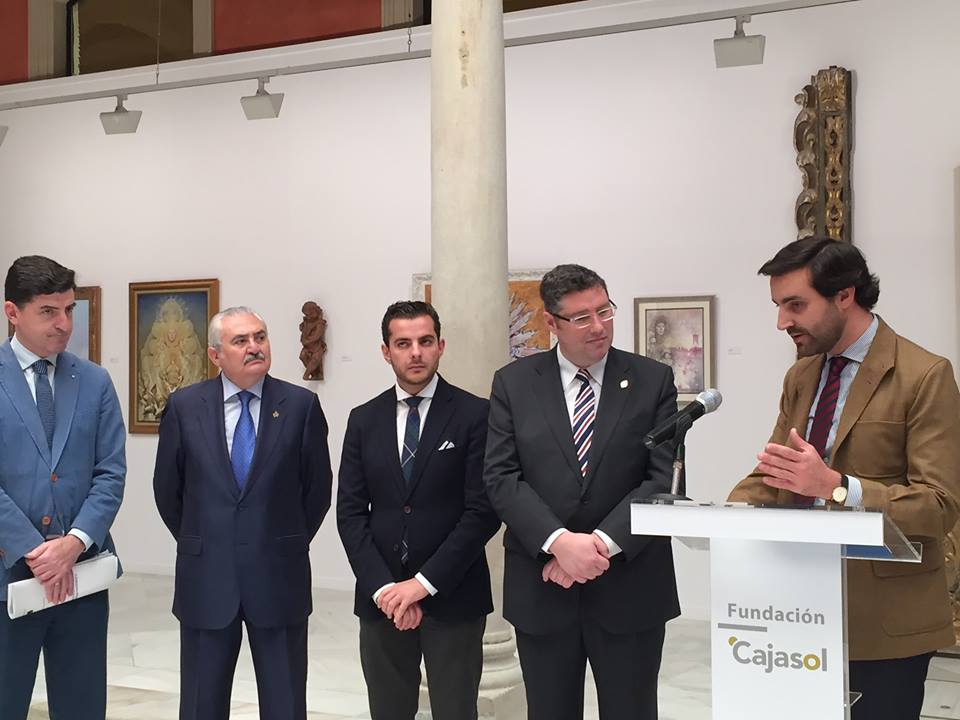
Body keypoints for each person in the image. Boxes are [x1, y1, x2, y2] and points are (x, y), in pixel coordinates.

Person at [728, 237, 960, 720]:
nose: (782, 322)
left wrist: (838, 487)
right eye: (778, 306)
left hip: (886, 621)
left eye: (795, 305)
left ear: (844, 295)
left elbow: (939, 506)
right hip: (797, 609)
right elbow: (777, 471)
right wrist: (727, 512)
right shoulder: (801, 375)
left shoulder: (925, 375)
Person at [484, 264, 680, 720]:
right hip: (543, 589)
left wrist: (597, 547)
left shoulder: (653, 380)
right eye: (581, 318)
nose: (598, 327)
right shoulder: (514, 384)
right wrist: (559, 543)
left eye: (604, 311)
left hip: (630, 588)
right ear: (551, 323)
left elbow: (662, 480)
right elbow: (501, 477)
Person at [153, 306, 332, 720]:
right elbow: (168, 491)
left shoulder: (301, 406)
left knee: (286, 705)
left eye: (260, 337)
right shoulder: (184, 407)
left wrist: (281, 540)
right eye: (241, 341)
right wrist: (206, 539)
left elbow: (317, 491)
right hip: (206, 579)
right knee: (201, 705)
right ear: (215, 355)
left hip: (279, 577)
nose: (255, 347)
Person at [337, 301, 500, 720]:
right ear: (385, 351)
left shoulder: (475, 414)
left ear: (440, 346)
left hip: (454, 596)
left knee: (455, 711)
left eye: (425, 341)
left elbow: (482, 512)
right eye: (403, 343)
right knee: (388, 711)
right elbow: (350, 513)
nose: (415, 353)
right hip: (382, 600)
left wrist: (422, 586)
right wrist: (385, 590)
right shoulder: (363, 420)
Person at [0, 255, 125, 720]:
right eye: (49, 312)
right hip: (7, 581)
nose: (64, 324)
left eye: (70, 309)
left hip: (81, 580)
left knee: (82, 707)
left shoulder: (94, 381)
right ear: (12, 312)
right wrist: (35, 551)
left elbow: (110, 473)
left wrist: (73, 544)